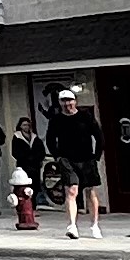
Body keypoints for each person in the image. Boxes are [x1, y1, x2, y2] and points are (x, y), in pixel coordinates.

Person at [45, 84, 106, 238]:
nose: (67, 104)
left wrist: (96, 156)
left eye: (69, 100)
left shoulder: (86, 117)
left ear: (75, 101)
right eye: (63, 101)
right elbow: (50, 140)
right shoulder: (56, 120)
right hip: (67, 159)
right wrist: (57, 156)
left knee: (90, 191)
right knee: (71, 190)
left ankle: (94, 225)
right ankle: (72, 225)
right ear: (60, 103)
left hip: (86, 159)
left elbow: (99, 137)